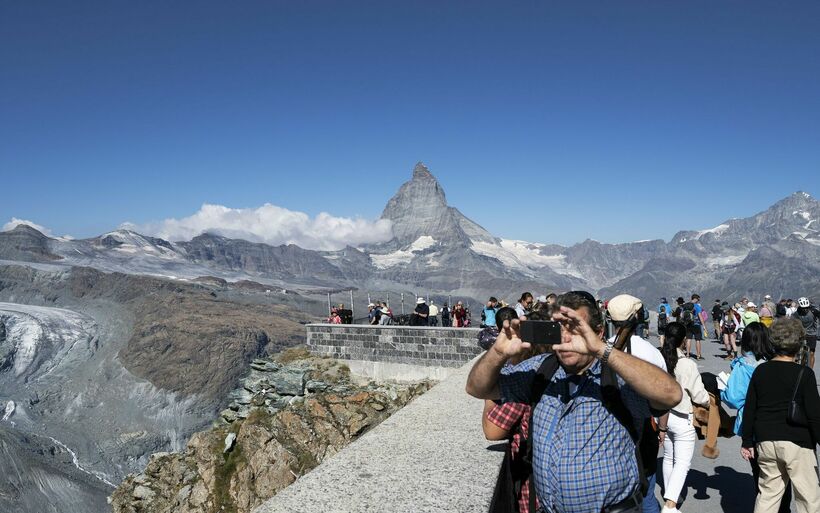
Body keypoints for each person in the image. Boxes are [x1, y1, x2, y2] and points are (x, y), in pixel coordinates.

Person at [466, 291, 682, 513]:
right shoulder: (541, 370)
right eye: (561, 329)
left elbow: (671, 394)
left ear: (598, 333)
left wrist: (601, 350)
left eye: (576, 329)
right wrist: (498, 353)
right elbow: (477, 388)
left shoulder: (615, 377)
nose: (567, 337)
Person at [741, 318, 820, 513]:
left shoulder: (761, 370)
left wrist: (747, 441)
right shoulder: (804, 373)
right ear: (799, 343)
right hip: (798, 443)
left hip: (766, 442)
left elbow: (750, 407)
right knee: (808, 497)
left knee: (768, 495)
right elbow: (814, 415)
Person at [720, 323, 790, 513]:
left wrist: (722, 389)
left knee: (761, 475)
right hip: (781, 425)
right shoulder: (777, 361)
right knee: (783, 474)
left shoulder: (743, 367)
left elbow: (734, 398)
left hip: (755, 427)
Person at [658, 322, 709, 513]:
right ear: (683, 340)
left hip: (662, 415)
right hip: (682, 416)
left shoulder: (659, 358)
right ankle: (670, 505)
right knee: (682, 462)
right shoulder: (687, 364)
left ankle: (670, 494)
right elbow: (699, 395)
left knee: (669, 457)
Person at [793, 297, 818, 369]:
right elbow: (791, 322)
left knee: (812, 353)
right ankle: (796, 362)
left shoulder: (814, 311)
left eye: (806, 307)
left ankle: (810, 370)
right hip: (801, 333)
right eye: (803, 308)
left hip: (812, 333)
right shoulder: (796, 313)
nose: (805, 309)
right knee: (795, 350)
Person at [689, 295, 704, 360]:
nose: (698, 301)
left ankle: (687, 355)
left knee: (688, 339)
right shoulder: (697, 306)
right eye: (698, 299)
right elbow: (700, 316)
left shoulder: (687, 305)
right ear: (695, 299)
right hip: (696, 324)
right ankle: (698, 355)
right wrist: (703, 325)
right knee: (697, 340)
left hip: (688, 325)